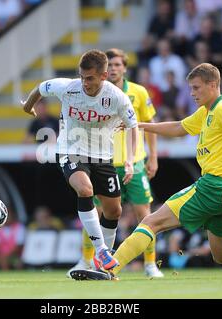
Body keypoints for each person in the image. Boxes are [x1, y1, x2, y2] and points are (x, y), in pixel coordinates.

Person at [70, 63, 222, 280]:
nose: (192, 93)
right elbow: (179, 127)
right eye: (190, 89)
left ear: (213, 85)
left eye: (196, 88)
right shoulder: (207, 111)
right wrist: (138, 125)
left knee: (151, 222)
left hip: (213, 187)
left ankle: (109, 269)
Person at [22, 49, 138, 271]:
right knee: (85, 189)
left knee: (114, 210)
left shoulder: (116, 98)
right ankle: (102, 251)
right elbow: (40, 88)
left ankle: (103, 265)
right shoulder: (68, 88)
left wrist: (130, 160)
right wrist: (28, 106)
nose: (85, 82)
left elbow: (133, 127)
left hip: (103, 156)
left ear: (104, 76)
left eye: (90, 78)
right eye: (82, 77)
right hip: (70, 150)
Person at [67, 48, 163, 278]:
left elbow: (149, 125)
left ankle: (150, 264)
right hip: (103, 161)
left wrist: (153, 157)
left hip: (135, 162)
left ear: (125, 68)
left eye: (119, 65)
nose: (115, 69)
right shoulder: (93, 93)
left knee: (145, 214)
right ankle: (87, 259)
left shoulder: (138, 93)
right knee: (94, 210)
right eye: (112, 65)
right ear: (104, 71)